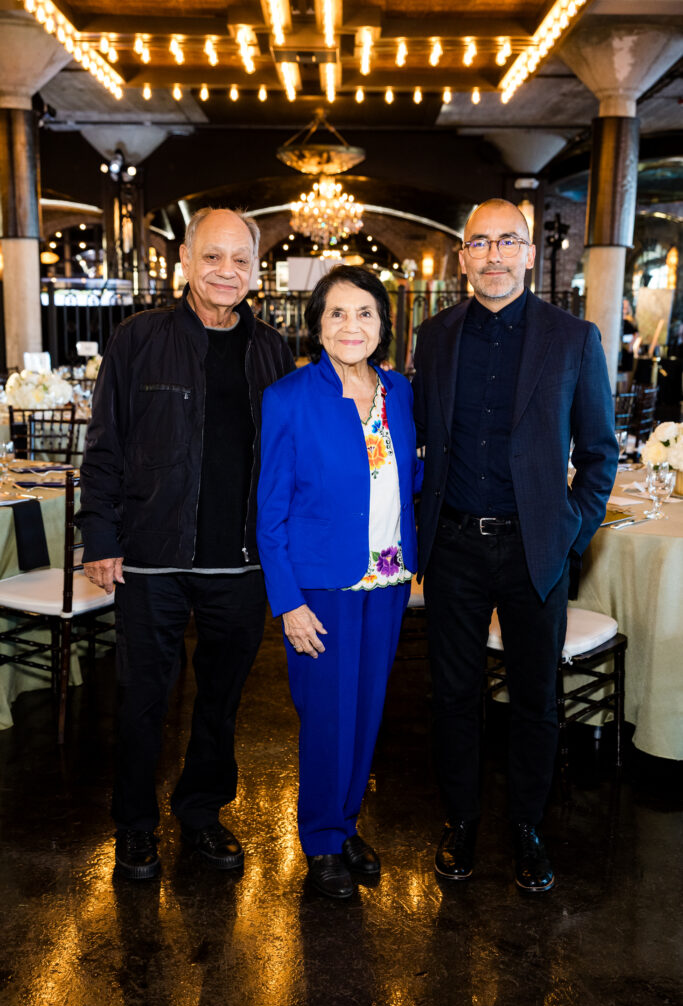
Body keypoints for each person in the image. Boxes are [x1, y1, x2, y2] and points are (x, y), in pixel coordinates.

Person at [78, 207, 295, 880]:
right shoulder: (137, 339)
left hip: (240, 560)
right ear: (185, 262)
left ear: (255, 270)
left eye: (239, 260)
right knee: (144, 697)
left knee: (221, 700)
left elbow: (287, 458)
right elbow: (106, 444)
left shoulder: (274, 349)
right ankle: (135, 825)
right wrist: (100, 535)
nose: (225, 272)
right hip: (150, 556)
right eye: (211, 257)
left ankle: (201, 811)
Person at [413, 199, 618, 893]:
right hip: (453, 547)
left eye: (507, 242)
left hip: (535, 550)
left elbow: (598, 454)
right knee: (453, 696)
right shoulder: (433, 338)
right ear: (462, 256)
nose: (493, 255)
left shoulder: (573, 338)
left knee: (536, 698)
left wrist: (571, 532)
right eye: (479, 242)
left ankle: (528, 825)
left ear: (529, 253)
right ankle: (461, 819)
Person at [257, 264, 422, 899]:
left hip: (387, 581)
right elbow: (269, 513)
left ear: (383, 325)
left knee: (367, 712)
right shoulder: (290, 398)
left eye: (365, 314)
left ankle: (345, 822)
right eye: (337, 314)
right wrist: (288, 602)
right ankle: (322, 840)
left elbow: (406, 480)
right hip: (320, 586)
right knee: (327, 715)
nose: (351, 326)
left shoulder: (399, 393)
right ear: (318, 325)